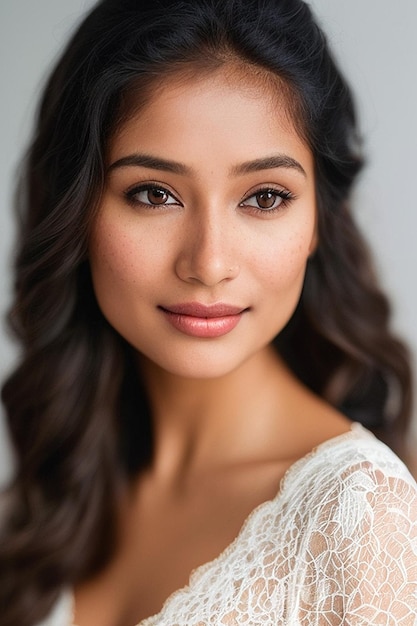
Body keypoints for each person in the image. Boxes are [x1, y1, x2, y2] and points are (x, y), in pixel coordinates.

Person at [1, 0, 416, 624]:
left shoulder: (358, 518)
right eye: (154, 193)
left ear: (319, 224)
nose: (208, 262)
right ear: (77, 210)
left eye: (265, 196)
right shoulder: (44, 498)